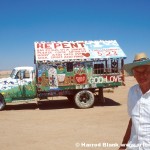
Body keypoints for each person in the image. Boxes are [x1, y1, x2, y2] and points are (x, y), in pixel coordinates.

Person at [119, 52, 150, 150]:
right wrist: (123, 146)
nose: (142, 75)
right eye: (138, 72)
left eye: (145, 71)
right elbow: (132, 120)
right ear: (133, 75)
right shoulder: (132, 91)